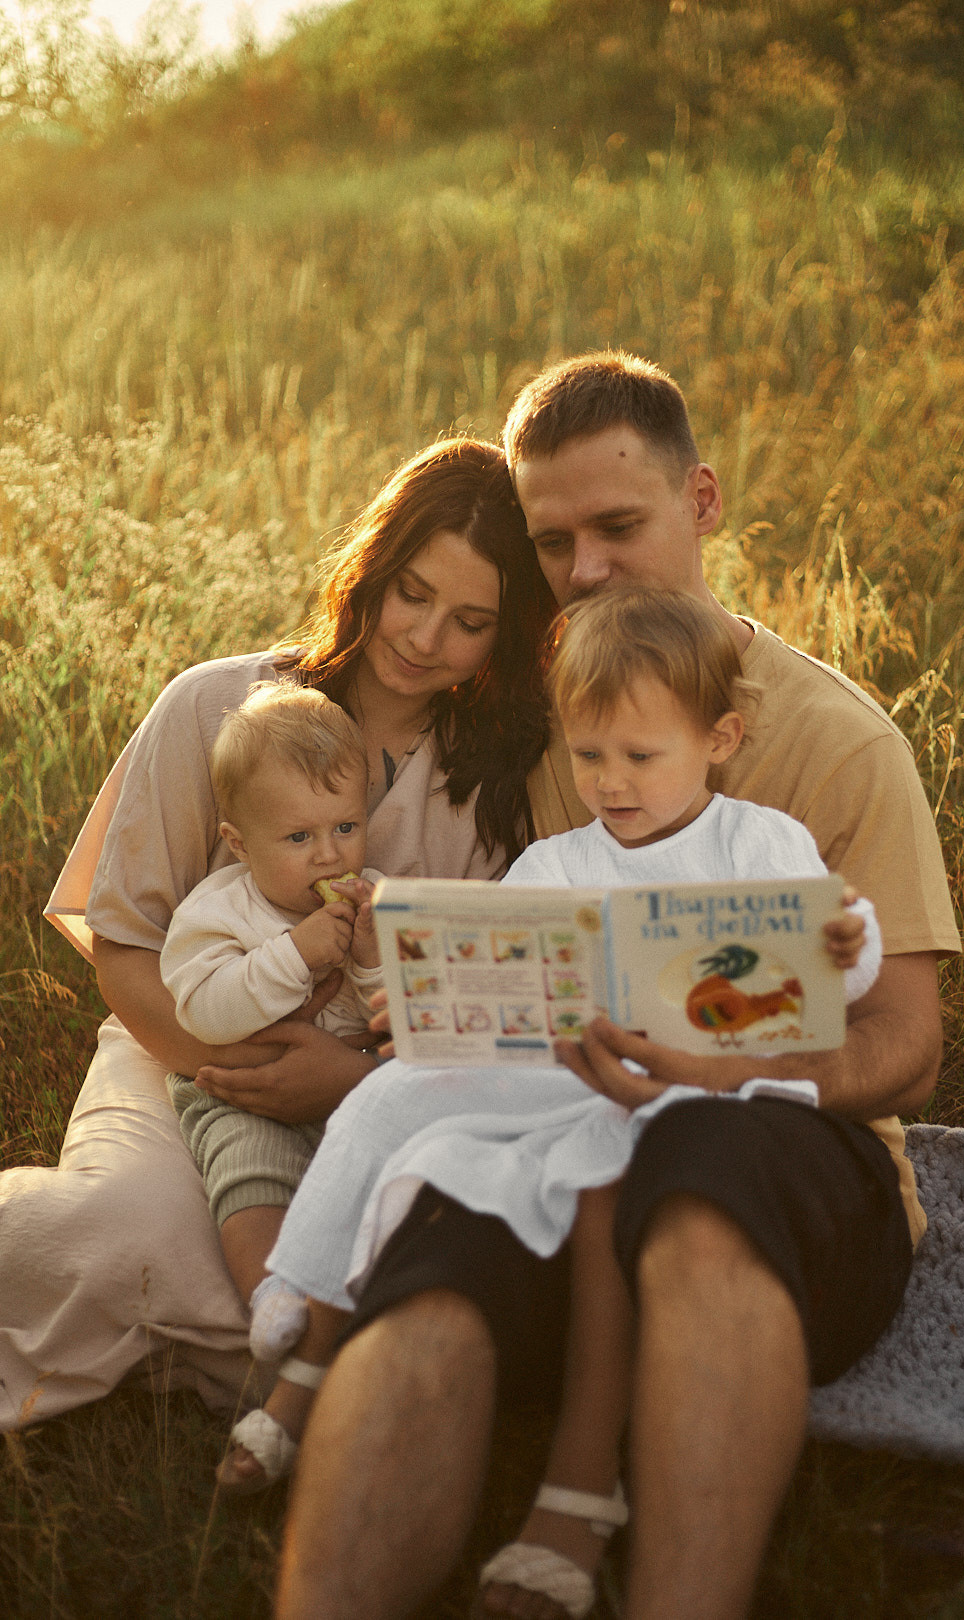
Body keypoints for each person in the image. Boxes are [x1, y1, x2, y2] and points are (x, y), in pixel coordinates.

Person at [276, 355, 960, 1620]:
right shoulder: (543, 720)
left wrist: (727, 1070)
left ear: (702, 500)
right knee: (447, 1225)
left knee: (702, 1165)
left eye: (618, 526)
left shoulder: (838, 743)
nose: (585, 569)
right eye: (553, 542)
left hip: (787, 1166)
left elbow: (907, 1044)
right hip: (564, 1129)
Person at [230, 591, 882, 1585]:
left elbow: (838, 958)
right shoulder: (556, 861)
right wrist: (432, 999)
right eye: (588, 756)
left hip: (705, 1096)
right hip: (564, 1077)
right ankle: (303, 1281)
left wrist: (845, 942)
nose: (610, 783)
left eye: (640, 756)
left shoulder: (759, 844)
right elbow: (497, 967)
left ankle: (584, 1472)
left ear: (719, 739)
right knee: (396, 1103)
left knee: (606, 1183)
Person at [0, 437, 552, 1432]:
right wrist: (229, 1065)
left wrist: (348, 1084)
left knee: (381, 1264)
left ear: (503, 638)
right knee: (121, 1230)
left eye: (470, 623)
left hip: (384, 1092)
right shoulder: (215, 705)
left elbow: (470, 1017)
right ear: (373, 567)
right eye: (412, 593)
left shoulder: (501, 789)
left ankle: (256, 1354)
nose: (425, 637)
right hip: (182, 1052)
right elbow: (125, 945)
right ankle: (271, 1360)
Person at [160, 682, 384, 1317]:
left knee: (388, 1164)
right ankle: (272, 1296)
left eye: (346, 827)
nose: (330, 854)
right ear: (239, 843)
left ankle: (359, 1292)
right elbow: (204, 1011)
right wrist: (296, 955)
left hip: (351, 1083)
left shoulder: (377, 900)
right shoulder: (218, 911)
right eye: (299, 837)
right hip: (244, 1095)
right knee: (250, 1170)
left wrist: (372, 958)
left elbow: (400, 1014)